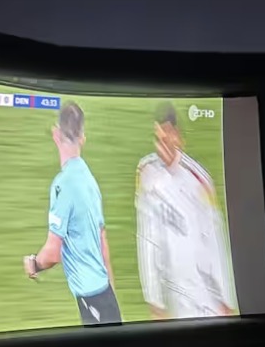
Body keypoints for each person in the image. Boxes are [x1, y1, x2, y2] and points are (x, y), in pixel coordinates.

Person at [134, 103, 236, 320]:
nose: (162, 146)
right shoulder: (147, 173)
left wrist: (225, 299)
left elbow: (214, 240)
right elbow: (147, 239)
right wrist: (154, 300)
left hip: (203, 295)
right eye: (158, 139)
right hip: (172, 296)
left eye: (166, 138)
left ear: (178, 136)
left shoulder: (198, 180)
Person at [23, 102, 121, 325]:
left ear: (56, 134)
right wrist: (111, 292)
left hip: (90, 297)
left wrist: (34, 264)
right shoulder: (90, 180)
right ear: (82, 138)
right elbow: (102, 240)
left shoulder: (62, 185)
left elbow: (52, 254)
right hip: (105, 294)